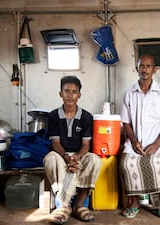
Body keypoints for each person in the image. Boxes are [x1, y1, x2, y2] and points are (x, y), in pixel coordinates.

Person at [119, 54, 160, 220]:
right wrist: (134, 141)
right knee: (127, 164)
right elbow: (126, 123)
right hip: (136, 143)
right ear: (137, 68)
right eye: (141, 66)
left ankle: (158, 205)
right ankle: (135, 203)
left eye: (148, 66)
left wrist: (157, 144)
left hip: (158, 142)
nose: (144, 69)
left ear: (154, 70)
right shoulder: (129, 94)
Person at [43, 76, 101, 224]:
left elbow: (86, 145)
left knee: (94, 159)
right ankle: (64, 206)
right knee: (50, 158)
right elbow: (55, 143)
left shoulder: (86, 117)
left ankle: (80, 205)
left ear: (79, 95)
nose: (70, 95)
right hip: (60, 154)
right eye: (66, 91)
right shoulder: (53, 116)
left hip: (79, 155)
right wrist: (66, 157)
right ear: (60, 93)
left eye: (74, 92)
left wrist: (77, 157)